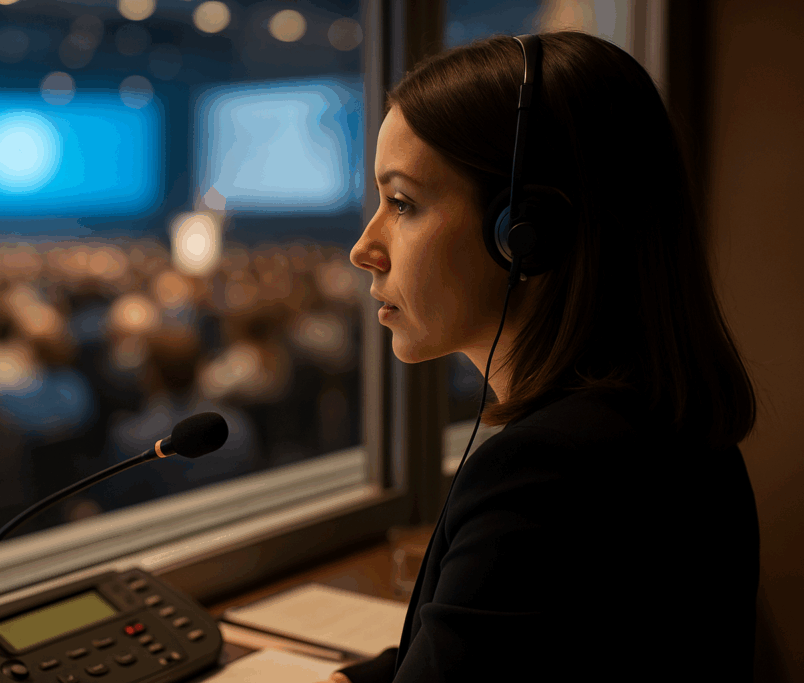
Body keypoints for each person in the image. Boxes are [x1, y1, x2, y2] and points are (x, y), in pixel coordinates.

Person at [313, 31, 759, 682]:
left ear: (524, 234)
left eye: (403, 202)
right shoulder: (666, 425)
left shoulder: (545, 474)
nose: (363, 249)